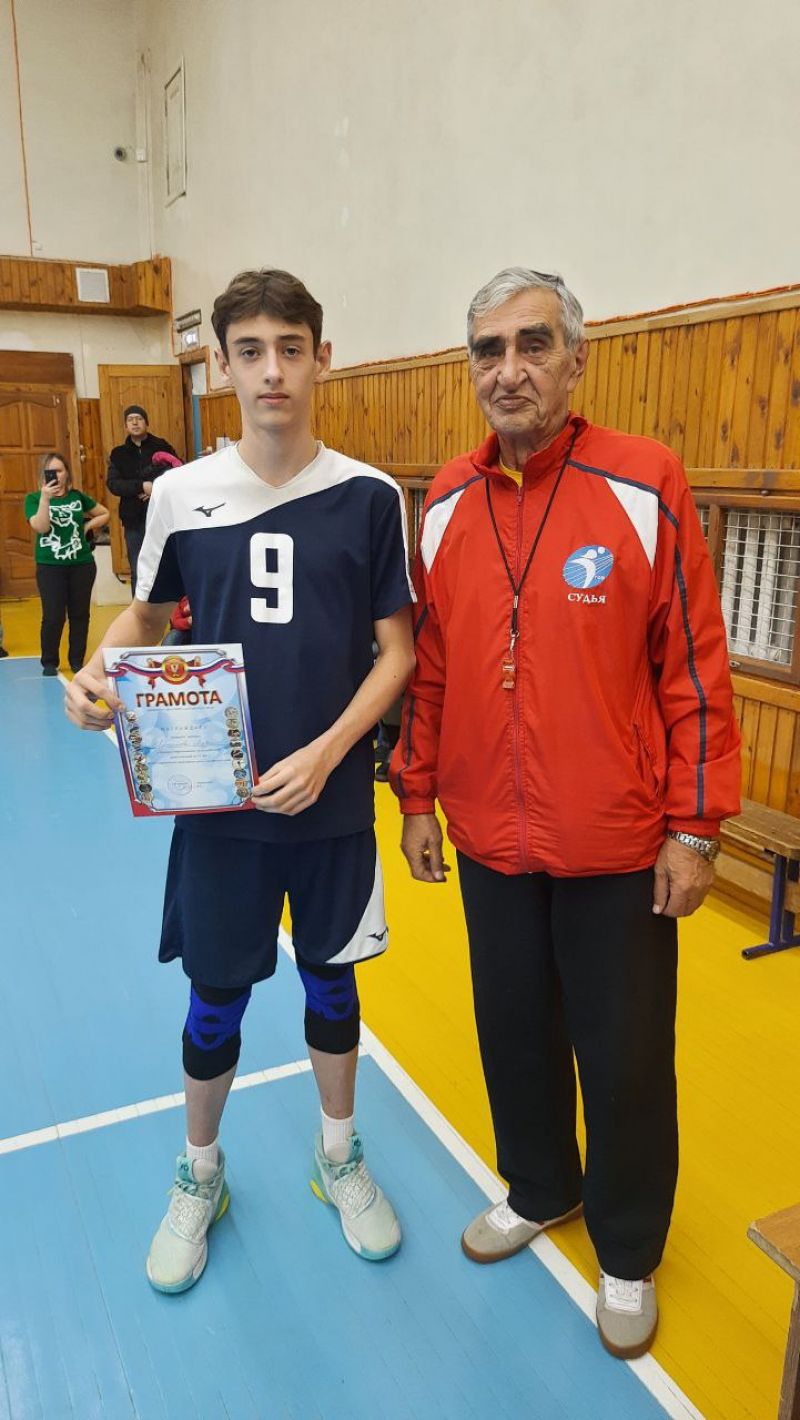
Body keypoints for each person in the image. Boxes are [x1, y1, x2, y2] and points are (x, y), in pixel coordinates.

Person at [391, 267, 741, 1360]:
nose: (509, 370)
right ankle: (543, 1186)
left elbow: (692, 666)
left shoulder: (643, 480)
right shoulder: (446, 501)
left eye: (532, 344)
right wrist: (415, 792)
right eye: (488, 351)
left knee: (624, 1058)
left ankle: (627, 1249)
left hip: (616, 843)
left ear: (575, 360)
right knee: (512, 1033)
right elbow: (432, 667)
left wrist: (694, 828)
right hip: (489, 836)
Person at [66, 268, 415, 1294]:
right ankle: (201, 1173)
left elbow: (397, 651)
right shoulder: (180, 494)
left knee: (332, 981)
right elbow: (147, 615)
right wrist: (95, 672)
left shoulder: (370, 496)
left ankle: (338, 1155)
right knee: (215, 993)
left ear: (321, 358)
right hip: (216, 805)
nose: (272, 371)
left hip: (331, 803)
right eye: (250, 351)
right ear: (221, 366)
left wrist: (330, 751)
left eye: (290, 349)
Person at [24, 452, 110, 675]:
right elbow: (41, 527)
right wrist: (45, 499)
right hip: (50, 566)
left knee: (80, 615)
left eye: (59, 471)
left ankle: (77, 660)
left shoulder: (78, 497)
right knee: (53, 616)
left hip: (82, 564)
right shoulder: (33, 499)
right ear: (43, 474)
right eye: (50, 472)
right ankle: (49, 661)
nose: (56, 475)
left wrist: (87, 526)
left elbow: (104, 513)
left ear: (66, 473)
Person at [106, 409, 178, 595]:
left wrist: (155, 488)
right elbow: (114, 484)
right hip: (133, 519)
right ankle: (139, 609)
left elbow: (176, 471)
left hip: (161, 516)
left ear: (147, 423)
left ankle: (168, 608)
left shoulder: (162, 446)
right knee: (138, 568)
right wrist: (141, 486)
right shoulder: (118, 453)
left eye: (139, 419)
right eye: (130, 420)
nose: (135, 422)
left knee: (165, 565)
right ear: (125, 426)